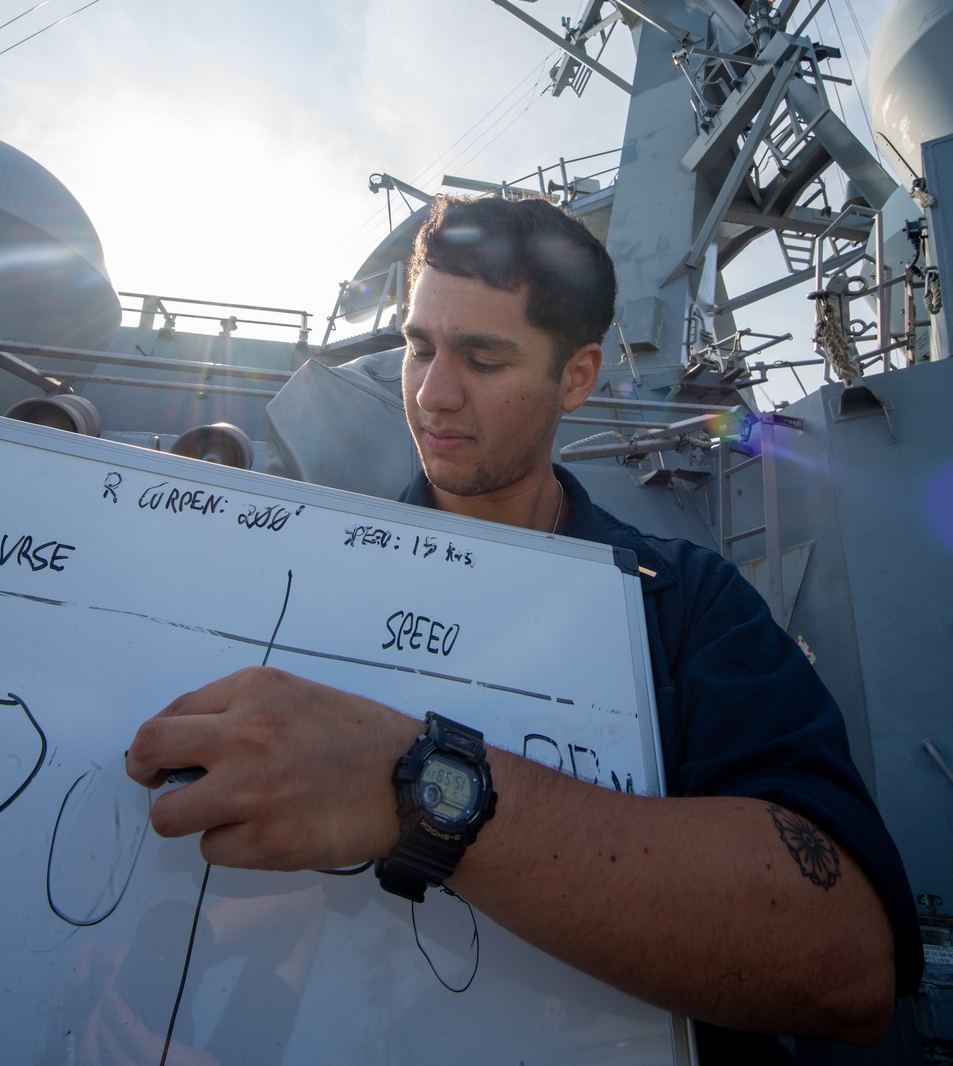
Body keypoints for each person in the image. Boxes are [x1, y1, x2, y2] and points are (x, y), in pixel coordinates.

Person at [127, 194, 922, 1062]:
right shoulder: (295, 577)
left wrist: (417, 787)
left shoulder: (687, 603)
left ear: (577, 378)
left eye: (483, 357)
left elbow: (844, 963)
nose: (432, 394)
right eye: (419, 348)